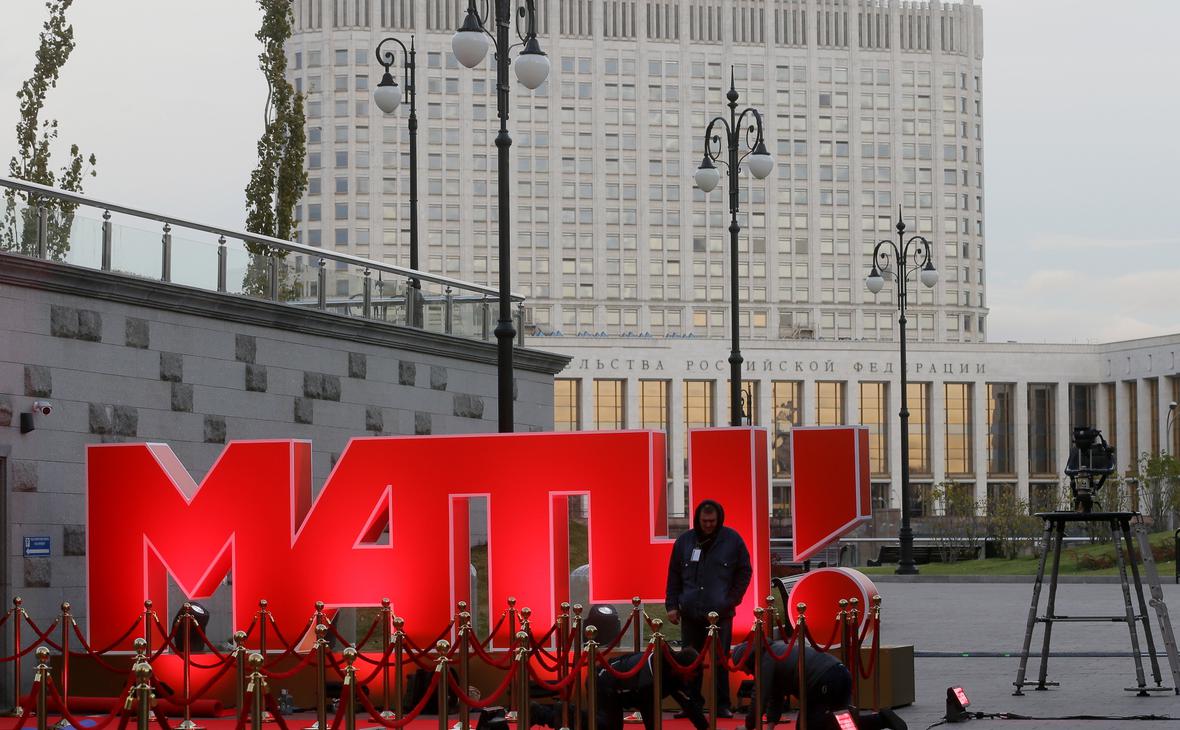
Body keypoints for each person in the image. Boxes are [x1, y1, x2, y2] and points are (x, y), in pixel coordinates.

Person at [665, 499, 752, 718]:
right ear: (698, 519)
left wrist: (732, 600)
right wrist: (672, 605)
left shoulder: (733, 540)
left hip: (721, 614)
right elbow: (674, 575)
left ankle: (722, 705)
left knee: (720, 661)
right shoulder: (684, 542)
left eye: (712, 521)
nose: (708, 524)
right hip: (690, 613)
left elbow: (745, 571)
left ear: (719, 519)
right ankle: (692, 705)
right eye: (704, 521)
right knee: (690, 661)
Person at [731, 641, 907, 730]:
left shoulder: (766, 661)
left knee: (808, 726)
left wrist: (749, 726)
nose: (746, 674)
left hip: (823, 681)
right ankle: (882, 719)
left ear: (748, 660)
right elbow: (775, 696)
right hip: (840, 673)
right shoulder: (777, 650)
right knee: (845, 724)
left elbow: (759, 695)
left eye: (743, 668)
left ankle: (881, 719)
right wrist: (770, 724)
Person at [529, 646, 709, 730]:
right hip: (603, 683)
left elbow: (688, 704)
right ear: (681, 668)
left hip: (619, 691)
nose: (694, 678)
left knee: (606, 725)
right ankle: (545, 713)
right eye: (693, 673)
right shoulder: (653, 673)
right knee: (605, 727)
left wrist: (705, 728)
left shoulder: (676, 674)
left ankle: (557, 711)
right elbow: (648, 711)